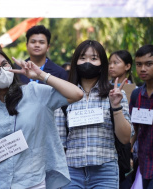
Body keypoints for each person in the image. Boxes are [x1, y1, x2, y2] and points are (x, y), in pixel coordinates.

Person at [0, 47, 83, 189]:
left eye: (4, 64)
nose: (3, 71)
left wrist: (41, 75)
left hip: (32, 182)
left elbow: (76, 94)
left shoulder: (34, 92)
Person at [55, 40, 132, 189]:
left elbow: (125, 138)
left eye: (94, 58)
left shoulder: (115, 93)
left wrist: (116, 107)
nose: (87, 62)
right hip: (71, 172)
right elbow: (59, 143)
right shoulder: (64, 95)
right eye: (82, 58)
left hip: (105, 172)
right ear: (75, 62)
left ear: (102, 63)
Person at [129, 45, 153, 189]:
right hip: (143, 162)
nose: (143, 69)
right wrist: (128, 153)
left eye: (148, 64)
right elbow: (134, 129)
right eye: (139, 64)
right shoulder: (136, 94)